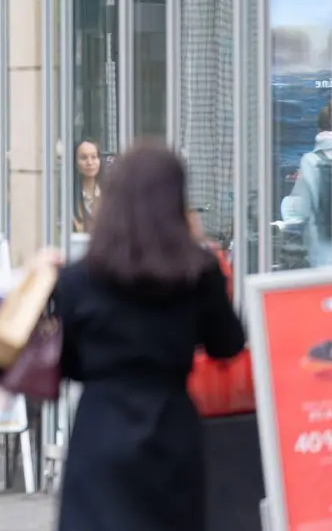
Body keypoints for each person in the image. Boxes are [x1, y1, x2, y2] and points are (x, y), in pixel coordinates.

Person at [52, 142, 245, 531]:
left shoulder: (78, 279)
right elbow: (228, 343)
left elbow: (66, 364)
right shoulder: (197, 272)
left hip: (100, 425)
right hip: (170, 424)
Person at [285, 102, 332, 268]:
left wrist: (299, 183)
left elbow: (296, 212)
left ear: (319, 130)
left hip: (323, 260)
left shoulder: (310, 162)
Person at [74, 139, 103, 232]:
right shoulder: (70, 196)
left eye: (94, 157)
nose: (89, 162)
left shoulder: (108, 192)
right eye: (83, 158)